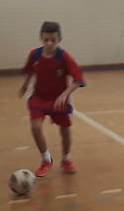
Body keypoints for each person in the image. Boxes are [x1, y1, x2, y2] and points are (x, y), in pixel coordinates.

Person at [18, 21, 86, 178]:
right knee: (35, 127)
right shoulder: (34, 55)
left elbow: (78, 79)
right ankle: (46, 160)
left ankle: (66, 159)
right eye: (46, 39)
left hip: (58, 100)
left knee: (65, 130)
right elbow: (30, 70)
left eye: (53, 40)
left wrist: (65, 94)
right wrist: (25, 85)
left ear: (59, 39)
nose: (49, 43)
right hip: (39, 97)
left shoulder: (64, 57)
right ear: (41, 38)